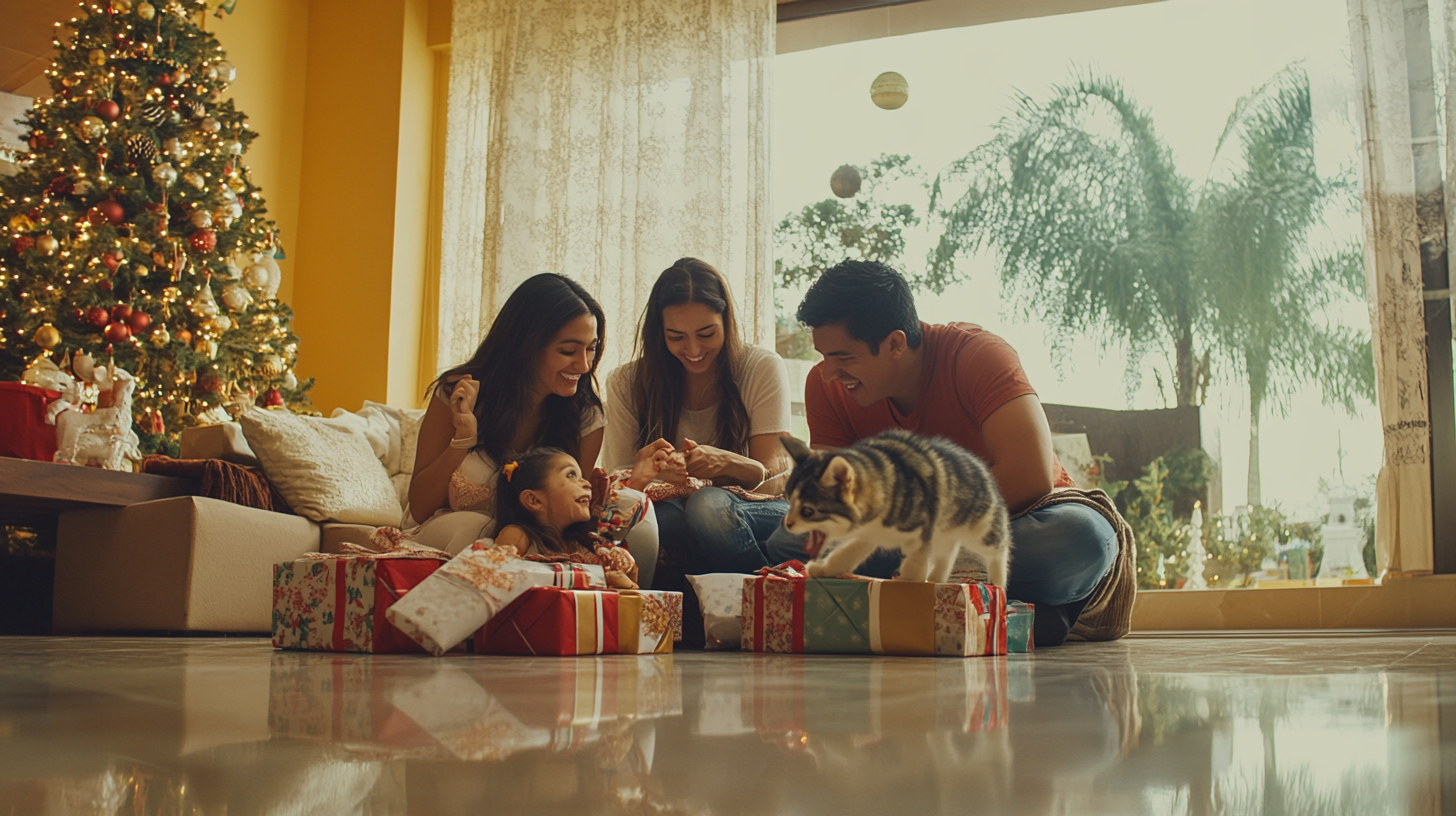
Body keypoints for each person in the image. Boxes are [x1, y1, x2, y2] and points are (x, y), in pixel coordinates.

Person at [764, 259, 1126, 646]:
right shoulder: (827, 387)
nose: (829, 373)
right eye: (823, 356)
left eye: (843, 357)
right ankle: (1012, 610)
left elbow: (1029, 476)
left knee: (1077, 541)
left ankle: (924, 599)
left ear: (895, 343)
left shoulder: (978, 356)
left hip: (1024, 516)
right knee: (787, 544)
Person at [603, 258, 793, 581]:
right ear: (658, 331)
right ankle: (710, 616)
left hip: (755, 511)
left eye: (706, 333)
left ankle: (770, 599)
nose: (693, 349)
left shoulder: (760, 367)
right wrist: (652, 473)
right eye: (676, 337)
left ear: (726, 322)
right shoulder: (627, 382)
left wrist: (728, 464)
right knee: (666, 522)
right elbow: (620, 493)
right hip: (675, 512)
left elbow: (777, 481)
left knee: (706, 508)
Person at [404, 273, 608, 555]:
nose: (584, 365)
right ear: (526, 344)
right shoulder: (459, 392)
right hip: (441, 532)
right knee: (478, 531)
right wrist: (463, 439)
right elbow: (420, 507)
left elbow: (567, 519)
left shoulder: (587, 417)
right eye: (568, 351)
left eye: (591, 348)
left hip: (531, 543)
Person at [493, 444, 675, 589]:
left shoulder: (583, 546)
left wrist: (621, 583)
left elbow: (624, 596)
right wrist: (597, 578)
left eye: (581, 476)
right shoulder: (518, 535)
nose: (586, 484)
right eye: (571, 475)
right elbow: (495, 581)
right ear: (533, 499)